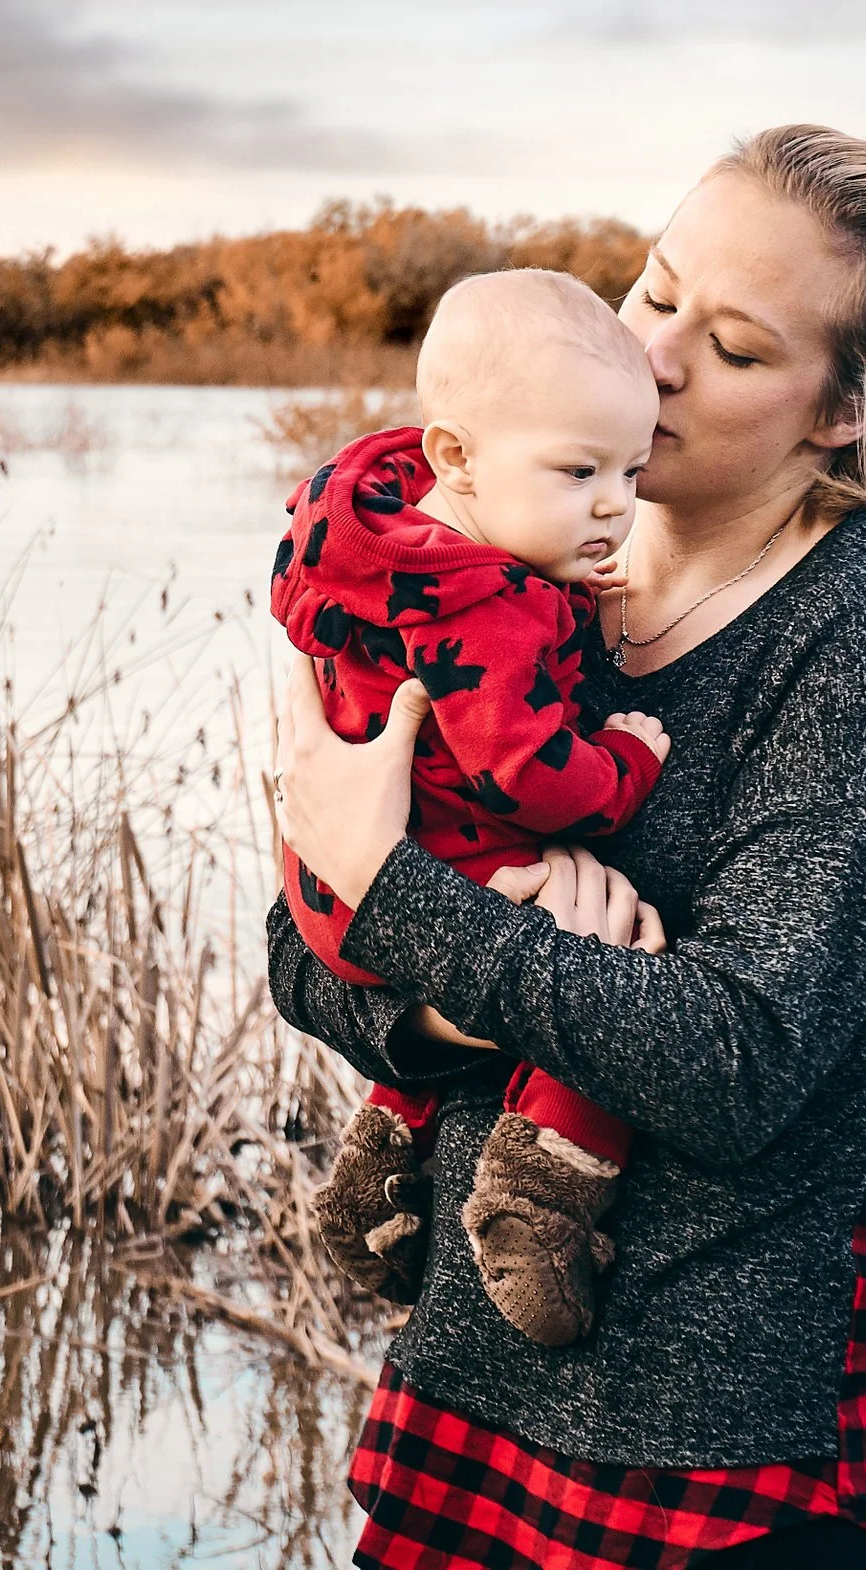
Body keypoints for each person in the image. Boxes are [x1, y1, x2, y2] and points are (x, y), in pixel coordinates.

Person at [270, 125, 866, 1569]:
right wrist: (441, 969)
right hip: (477, 1379)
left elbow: (735, 1065)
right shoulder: (514, 565)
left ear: (840, 410)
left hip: (736, 1420)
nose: (652, 357)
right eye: (654, 290)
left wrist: (404, 899)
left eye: (730, 346)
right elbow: (302, 953)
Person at [272, 269, 673, 1348]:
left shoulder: (388, 543)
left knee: (531, 949)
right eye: (580, 471)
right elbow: (527, 774)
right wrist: (624, 763)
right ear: (454, 455)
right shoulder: (486, 605)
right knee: (610, 947)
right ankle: (541, 1194)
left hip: (330, 886)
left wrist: (563, 604)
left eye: (630, 471)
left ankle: (380, 1150)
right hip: (429, 874)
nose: (615, 503)